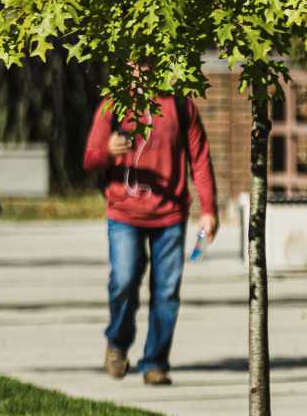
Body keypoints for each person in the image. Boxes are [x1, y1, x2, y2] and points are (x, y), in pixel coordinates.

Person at [83, 84, 217, 385]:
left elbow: (199, 157)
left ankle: (155, 361)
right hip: (124, 213)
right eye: (136, 58)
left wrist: (209, 209)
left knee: (166, 292)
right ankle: (117, 341)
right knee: (124, 279)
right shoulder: (114, 103)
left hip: (170, 214)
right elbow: (90, 159)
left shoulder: (179, 104)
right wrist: (108, 151)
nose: (142, 66)